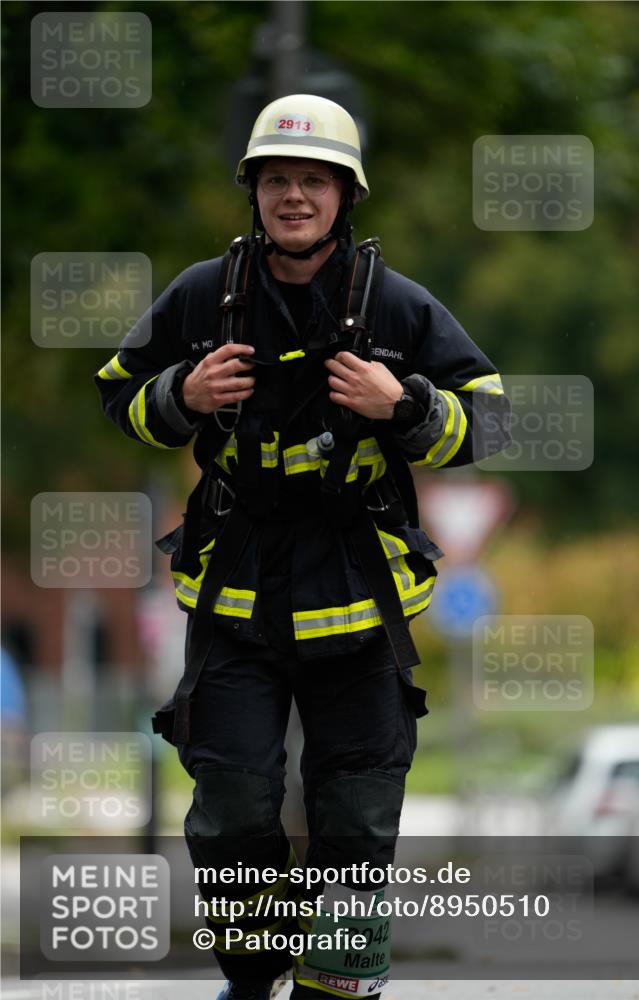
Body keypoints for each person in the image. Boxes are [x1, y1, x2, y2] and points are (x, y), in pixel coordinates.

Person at [95, 94, 510, 1000]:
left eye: (313, 181)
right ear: (252, 192)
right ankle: (251, 982)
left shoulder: (395, 305)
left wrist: (403, 405)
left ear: (344, 195)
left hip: (359, 606)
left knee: (356, 820)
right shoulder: (203, 295)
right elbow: (118, 392)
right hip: (234, 603)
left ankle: (336, 984)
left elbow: (491, 420)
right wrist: (179, 395)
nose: (294, 196)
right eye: (276, 180)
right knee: (232, 811)